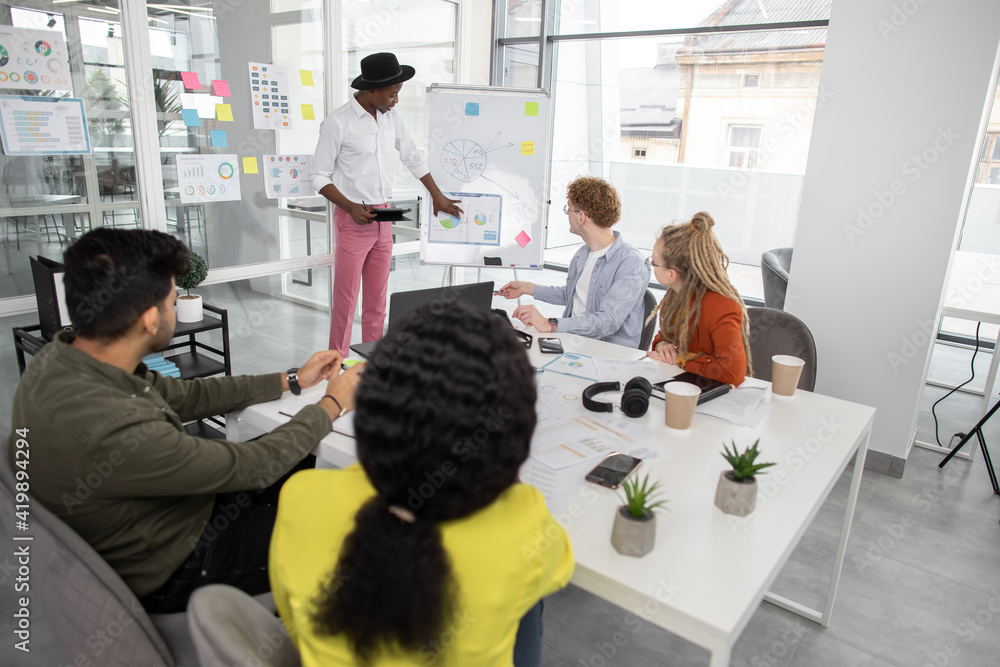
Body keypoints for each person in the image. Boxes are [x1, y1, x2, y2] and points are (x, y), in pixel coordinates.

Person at [8, 228, 362, 613]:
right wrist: (331, 403)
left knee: (304, 468)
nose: (178, 310)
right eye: (174, 301)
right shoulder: (114, 426)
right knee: (348, 533)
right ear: (149, 319)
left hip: (161, 510)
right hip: (177, 562)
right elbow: (252, 467)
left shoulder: (62, 358)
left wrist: (291, 379)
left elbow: (187, 396)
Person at [269, 302, 574, 666]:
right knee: (525, 603)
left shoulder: (302, 498)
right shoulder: (523, 521)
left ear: (373, 409)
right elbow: (557, 570)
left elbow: (292, 616)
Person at [310, 52, 463, 355]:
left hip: (383, 218)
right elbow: (317, 176)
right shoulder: (337, 123)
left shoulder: (390, 116)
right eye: (392, 94)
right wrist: (352, 206)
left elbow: (411, 155)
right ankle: (335, 366)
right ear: (371, 91)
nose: (396, 100)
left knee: (378, 303)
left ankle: (371, 363)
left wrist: (437, 194)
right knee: (345, 302)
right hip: (353, 218)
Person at [497, 176, 649, 348]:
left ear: (581, 217)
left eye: (568, 209)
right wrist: (527, 288)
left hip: (607, 352)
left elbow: (607, 322)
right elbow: (573, 294)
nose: (567, 215)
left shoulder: (631, 263)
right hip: (573, 342)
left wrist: (551, 324)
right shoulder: (582, 254)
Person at [646, 211, 751, 386]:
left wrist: (683, 360)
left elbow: (732, 373)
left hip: (718, 396)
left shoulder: (722, 307)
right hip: (688, 385)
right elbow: (665, 334)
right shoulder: (676, 295)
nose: (651, 266)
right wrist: (663, 344)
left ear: (672, 274)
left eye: (654, 263)